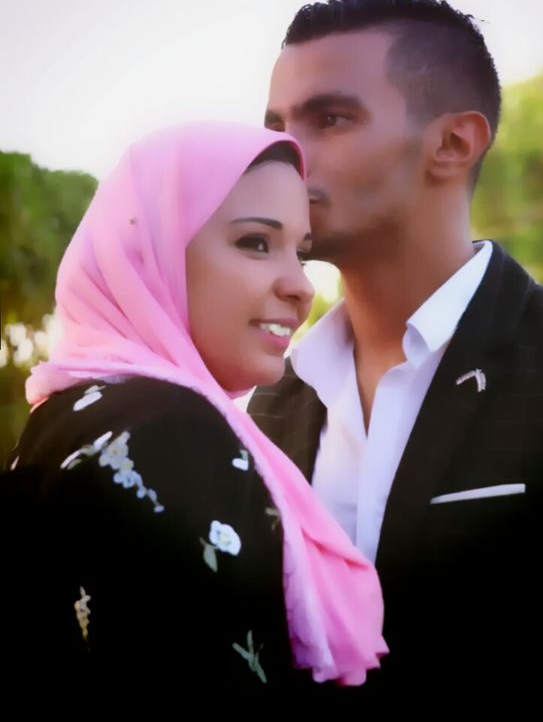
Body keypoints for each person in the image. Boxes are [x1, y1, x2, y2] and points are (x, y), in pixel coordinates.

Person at [249, 0, 543, 698]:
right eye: (276, 125)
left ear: (454, 143)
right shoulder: (269, 404)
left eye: (330, 118)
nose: (284, 154)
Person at [2, 121, 387, 691]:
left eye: (301, 255)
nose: (301, 287)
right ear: (152, 253)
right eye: (256, 242)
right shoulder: (171, 433)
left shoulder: (68, 414)